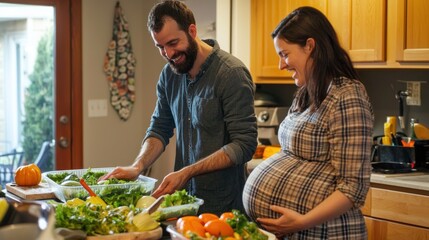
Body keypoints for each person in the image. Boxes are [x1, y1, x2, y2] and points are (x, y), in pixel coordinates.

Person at [101, 0, 257, 215]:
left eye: (173, 43)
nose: (168, 53)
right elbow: (159, 128)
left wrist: (188, 172)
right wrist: (137, 166)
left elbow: (244, 145)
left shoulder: (231, 74)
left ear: (192, 30)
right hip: (184, 203)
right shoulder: (169, 75)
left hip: (224, 206)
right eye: (160, 46)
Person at [242, 6, 374, 239]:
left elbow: (353, 188)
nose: (281, 65)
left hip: (325, 233)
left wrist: (301, 221)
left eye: (284, 54)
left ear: (310, 46)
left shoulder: (347, 95)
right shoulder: (307, 92)